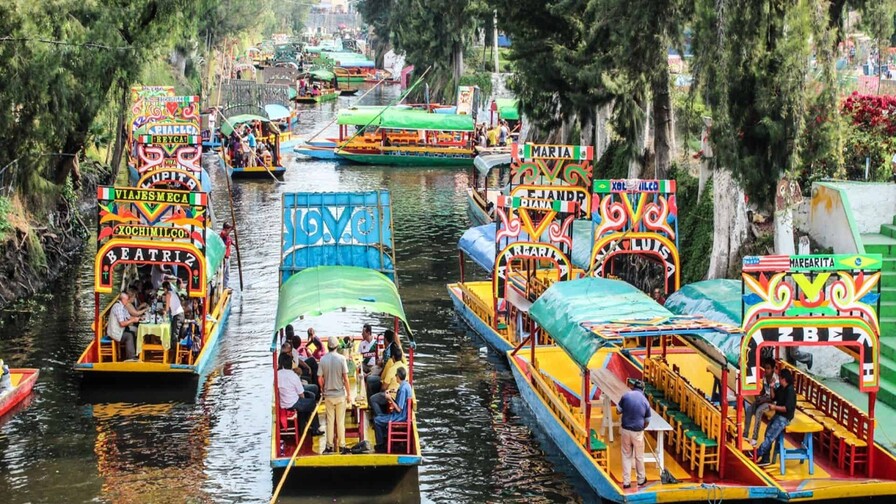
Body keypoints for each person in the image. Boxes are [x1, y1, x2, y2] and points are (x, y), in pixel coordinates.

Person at [757, 368, 796, 466]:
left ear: (783, 379)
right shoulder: (782, 388)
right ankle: (765, 458)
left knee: (770, 436)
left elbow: (786, 408)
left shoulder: (790, 391)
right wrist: (771, 387)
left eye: (779, 378)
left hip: (784, 417)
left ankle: (757, 453)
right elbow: (773, 397)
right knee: (767, 433)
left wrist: (774, 407)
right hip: (778, 415)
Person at [319, 336, 352, 454]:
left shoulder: (322, 360)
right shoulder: (342, 359)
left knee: (330, 421)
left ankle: (329, 446)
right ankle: (342, 445)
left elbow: (320, 378)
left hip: (328, 395)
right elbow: (346, 379)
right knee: (340, 421)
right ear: (337, 347)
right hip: (340, 395)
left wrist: (323, 390)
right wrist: (349, 395)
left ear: (328, 347)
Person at [277, 353, 323, 437]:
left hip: (283, 402)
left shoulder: (277, 374)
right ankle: (315, 429)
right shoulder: (293, 376)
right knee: (311, 403)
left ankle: (304, 426)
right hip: (292, 402)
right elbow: (301, 394)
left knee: (309, 397)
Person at [617, 379, 650, 489]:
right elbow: (647, 420)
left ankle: (626, 482)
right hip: (638, 432)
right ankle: (641, 479)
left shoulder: (626, 396)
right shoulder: (645, 401)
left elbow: (618, 410)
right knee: (639, 456)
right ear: (643, 389)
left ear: (633, 387)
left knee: (626, 455)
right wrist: (642, 428)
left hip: (626, 430)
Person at [373, 366, 412, 453]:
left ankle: (381, 445)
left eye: (396, 375)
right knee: (380, 416)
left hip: (399, 416)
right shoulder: (407, 385)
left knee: (376, 420)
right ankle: (384, 440)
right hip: (403, 414)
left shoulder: (402, 389)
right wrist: (394, 392)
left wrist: (389, 399)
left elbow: (399, 409)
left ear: (398, 376)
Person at [744, 358, 780, 446]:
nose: (766, 370)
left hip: (773, 402)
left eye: (768, 368)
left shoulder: (776, 380)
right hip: (764, 399)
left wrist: (763, 400)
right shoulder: (764, 377)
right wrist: (758, 396)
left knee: (758, 411)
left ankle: (754, 438)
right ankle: (745, 434)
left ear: (772, 369)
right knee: (749, 409)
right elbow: (763, 391)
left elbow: (774, 397)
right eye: (765, 368)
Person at [108, 292, 140, 361]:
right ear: (122, 299)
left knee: (134, 332)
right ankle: (130, 357)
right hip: (115, 332)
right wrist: (133, 320)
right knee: (129, 336)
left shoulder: (123, 307)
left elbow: (128, 317)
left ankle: (135, 353)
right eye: (127, 299)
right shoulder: (118, 307)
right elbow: (122, 324)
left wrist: (138, 318)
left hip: (120, 330)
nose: (128, 301)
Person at [219, 223, 234, 289]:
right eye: (228, 228)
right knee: (223, 273)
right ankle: (221, 287)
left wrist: (236, 246)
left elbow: (231, 242)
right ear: (225, 228)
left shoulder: (229, 237)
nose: (229, 229)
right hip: (223, 257)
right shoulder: (222, 233)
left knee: (227, 273)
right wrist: (231, 228)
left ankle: (225, 286)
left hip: (228, 257)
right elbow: (226, 234)